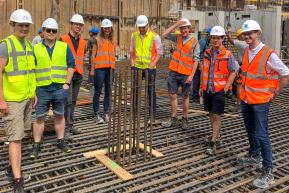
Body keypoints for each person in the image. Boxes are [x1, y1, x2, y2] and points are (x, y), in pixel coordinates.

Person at [236, 20, 289, 188]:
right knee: (250, 129)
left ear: (257, 33)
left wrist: (274, 93)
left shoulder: (268, 54)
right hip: (246, 99)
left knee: (262, 135)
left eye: (250, 33)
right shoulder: (246, 51)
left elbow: (285, 73)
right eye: (245, 34)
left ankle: (268, 171)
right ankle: (254, 156)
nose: (247, 36)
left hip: (260, 102)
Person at [28, 18, 75, 158]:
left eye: (53, 31)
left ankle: (60, 141)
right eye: (48, 30)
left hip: (59, 88)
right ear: (43, 31)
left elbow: (71, 65)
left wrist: (67, 83)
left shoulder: (64, 47)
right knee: (39, 117)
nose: (51, 33)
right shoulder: (35, 48)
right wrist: (34, 90)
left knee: (59, 115)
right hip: (41, 89)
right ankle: (37, 144)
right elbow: (31, 69)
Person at [0, 9, 35, 193]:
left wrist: (33, 93)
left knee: (19, 137)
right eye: (20, 25)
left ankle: (13, 168)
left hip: (26, 97)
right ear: (12, 25)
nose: (24, 28)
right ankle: (18, 180)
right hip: (12, 100)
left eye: (26, 25)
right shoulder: (6, 45)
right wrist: (1, 100)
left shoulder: (28, 45)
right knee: (14, 139)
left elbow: (29, 72)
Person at [199, 26, 237, 155]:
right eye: (214, 38)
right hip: (207, 89)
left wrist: (226, 88)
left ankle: (213, 142)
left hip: (219, 89)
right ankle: (217, 135)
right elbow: (203, 70)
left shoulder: (228, 55)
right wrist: (200, 87)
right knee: (210, 113)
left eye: (218, 38)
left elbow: (233, 72)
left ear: (223, 39)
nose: (215, 40)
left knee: (216, 114)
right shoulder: (207, 53)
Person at [162, 18, 200, 129]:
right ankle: (174, 117)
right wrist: (176, 24)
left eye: (185, 28)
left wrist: (192, 76)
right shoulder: (177, 37)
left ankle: (184, 118)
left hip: (186, 74)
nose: (184, 31)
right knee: (172, 95)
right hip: (174, 72)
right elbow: (164, 34)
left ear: (189, 29)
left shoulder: (195, 42)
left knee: (185, 96)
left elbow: (196, 60)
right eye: (182, 29)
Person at [130, 15, 163, 123]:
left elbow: (160, 52)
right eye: (139, 27)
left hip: (150, 68)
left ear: (147, 25)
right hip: (137, 67)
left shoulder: (155, 36)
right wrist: (132, 63)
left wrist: (153, 64)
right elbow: (131, 50)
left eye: (143, 27)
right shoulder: (134, 35)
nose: (141, 29)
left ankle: (152, 115)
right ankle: (134, 114)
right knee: (135, 91)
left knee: (150, 92)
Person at [59, 14, 86, 139]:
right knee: (67, 102)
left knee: (73, 102)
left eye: (80, 25)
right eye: (76, 24)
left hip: (78, 74)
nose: (78, 26)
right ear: (71, 24)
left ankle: (71, 124)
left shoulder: (83, 41)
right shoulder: (62, 39)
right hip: (67, 75)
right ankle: (65, 129)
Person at [90, 19, 116, 123]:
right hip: (100, 69)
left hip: (110, 69)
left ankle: (106, 112)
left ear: (111, 28)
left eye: (108, 28)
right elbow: (93, 55)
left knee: (108, 92)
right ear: (102, 29)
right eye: (105, 28)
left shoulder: (113, 41)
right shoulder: (97, 39)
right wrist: (92, 69)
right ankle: (96, 114)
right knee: (97, 92)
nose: (107, 29)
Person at [227, 26, 248, 112]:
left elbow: (230, 39)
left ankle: (239, 104)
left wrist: (229, 30)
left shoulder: (242, 43)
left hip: (243, 67)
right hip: (249, 67)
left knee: (239, 85)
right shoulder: (250, 44)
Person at [190, 27, 212, 102]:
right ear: (208, 35)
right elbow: (197, 54)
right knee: (196, 78)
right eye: (211, 35)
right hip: (198, 61)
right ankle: (195, 95)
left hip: (203, 61)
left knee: (201, 78)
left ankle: (199, 94)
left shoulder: (208, 41)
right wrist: (199, 65)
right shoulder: (202, 42)